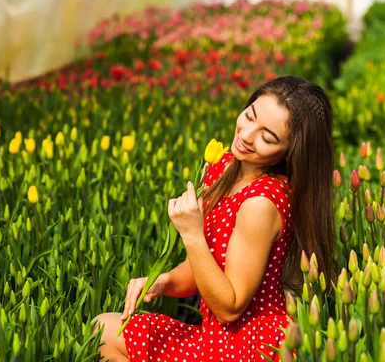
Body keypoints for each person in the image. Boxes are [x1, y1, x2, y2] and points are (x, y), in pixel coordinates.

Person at [92, 76, 336, 361]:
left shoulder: (261, 203)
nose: (246, 135)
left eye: (267, 137)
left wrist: (192, 234)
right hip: (216, 334)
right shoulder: (224, 167)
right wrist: (165, 281)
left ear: (291, 151)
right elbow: (203, 269)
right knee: (103, 330)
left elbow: (230, 306)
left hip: (252, 342)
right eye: (249, 116)